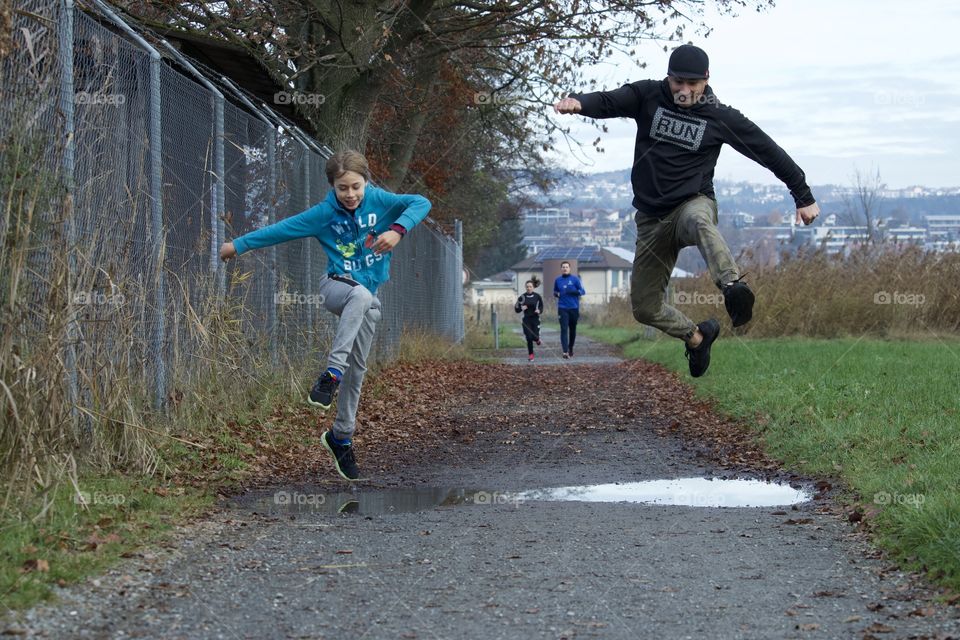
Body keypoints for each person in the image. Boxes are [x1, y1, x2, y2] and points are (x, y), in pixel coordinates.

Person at [553, 44, 820, 377]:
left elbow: (767, 150)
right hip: (651, 219)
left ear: (706, 80)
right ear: (669, 77)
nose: (684, 91)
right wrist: (579, 102)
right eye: (678, 82)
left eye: (693, 84)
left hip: (691, 203)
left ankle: (733, 287)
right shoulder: (648, 95)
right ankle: (697, 337)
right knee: (645, 308)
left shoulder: (719, 116)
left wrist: (802, 195)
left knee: (698, 220)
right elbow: (609, 100)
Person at [219, 150, 430, 481]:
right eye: (342, 188)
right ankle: (331, 374)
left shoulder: (379, 200)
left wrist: (398, 231)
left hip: (367, 299)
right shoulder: (323, 214)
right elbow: (281, 229)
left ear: (366, 183)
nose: (350, 195)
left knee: (358, 368)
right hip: (336, 288)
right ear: (332, 186)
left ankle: (341, 436)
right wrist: (239, 245)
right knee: (359, 296)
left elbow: (421, 202)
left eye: (355, 187)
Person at [553, 261, 585, 359]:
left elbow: (583, 291)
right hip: (562, 308)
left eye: (567, 267)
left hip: (574, 308)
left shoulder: (575, 279)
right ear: (561, 269)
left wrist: (574, 292)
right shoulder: (558, 280)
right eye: (563, 267)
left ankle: (570, 347)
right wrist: (556, 294)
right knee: (563, 329)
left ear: (569, 268)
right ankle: (565, 351)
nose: (565, 268)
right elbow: (555, 291)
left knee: (572, 329)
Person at [514, 278, 544, 361]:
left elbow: (541, 306)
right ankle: (531, 355)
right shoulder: (522, 297)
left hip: (535, 318)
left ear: (533, 287)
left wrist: (539, 310)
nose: (529, 288)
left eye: (530, 286)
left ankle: (537, 339)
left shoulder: (537, 296)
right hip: (526, 319)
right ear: (525, 287)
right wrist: (521, 308)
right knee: (529, 337)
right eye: (527, 287)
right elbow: (516, 309)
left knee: (534, 337)